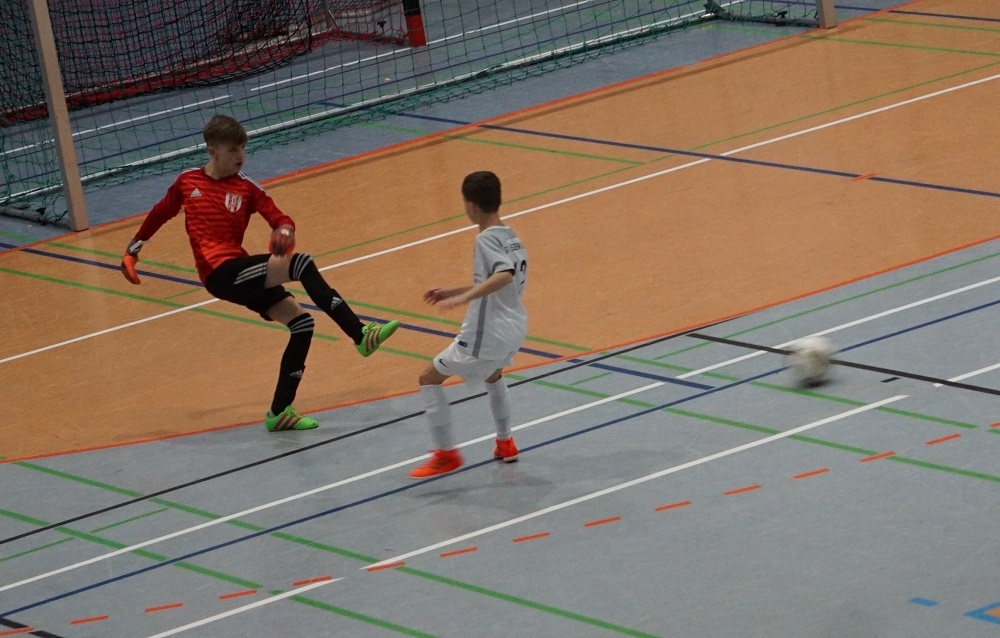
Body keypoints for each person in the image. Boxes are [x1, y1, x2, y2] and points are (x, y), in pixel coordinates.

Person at [119, 114, 399, 432]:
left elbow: (278, 216)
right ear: (212, 151)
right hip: (219, 272)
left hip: (239, 269)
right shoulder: (188, 183)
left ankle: (280, 412)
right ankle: (360, 334)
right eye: (232, 150)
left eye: (243, 148)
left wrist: (284, 230)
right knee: (301, 264)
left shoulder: (246, 188)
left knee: (302, 324)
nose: (240, 156)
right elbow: (160, 212)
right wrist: (133, 250)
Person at [409, 171, 527, 479]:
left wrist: (463, 299)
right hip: (514, 325)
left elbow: (503, 275)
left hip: (487, 331)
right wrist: (455, 291)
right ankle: (506, 443)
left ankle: (446, 454)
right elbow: (499, 281)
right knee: (493, 374)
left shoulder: (485, 238)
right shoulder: (511, 236)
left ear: (471, 206)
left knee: (428, 378)